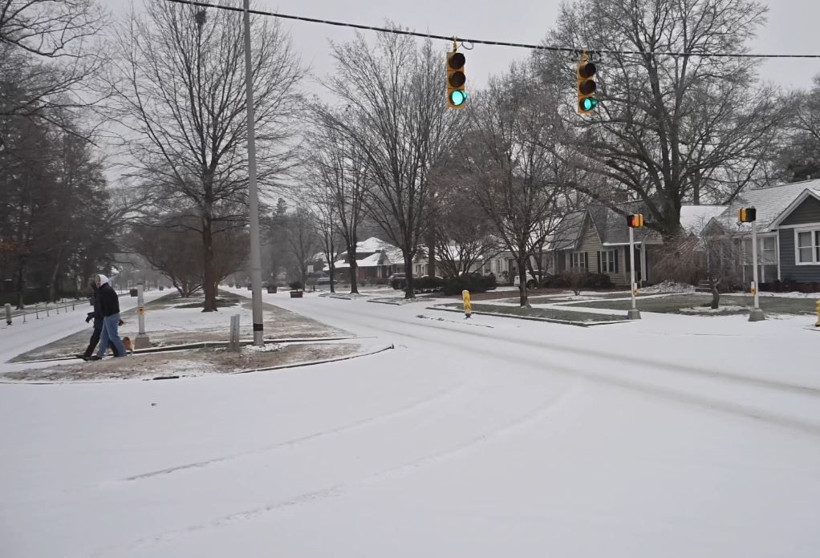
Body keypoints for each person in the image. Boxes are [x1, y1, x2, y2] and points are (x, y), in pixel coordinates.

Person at [90, 274, 126, 360]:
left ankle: (123, 353)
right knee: (104, 336)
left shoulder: (106, 291)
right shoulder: (104, 290)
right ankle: (100, 354)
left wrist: (106, 314)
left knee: (113, 336)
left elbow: (109, 305)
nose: (97, 283)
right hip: (108, 316)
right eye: (96, 281)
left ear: (103, 281)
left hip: (110, 316)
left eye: (99, 281)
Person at [79, 279, 116, 361]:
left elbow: (100, 310)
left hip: (101, 321)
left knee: (97, 339)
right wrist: (92, 314)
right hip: (100, 321)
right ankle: (87, 354)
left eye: (92, 286)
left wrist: (91, 316)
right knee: (103, 338)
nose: (92, 288)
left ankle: (87, 355)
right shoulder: (97, 294)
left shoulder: (99, 295)